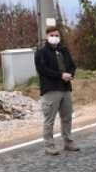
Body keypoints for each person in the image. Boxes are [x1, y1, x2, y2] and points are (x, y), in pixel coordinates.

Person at [34, 26, 79, 156]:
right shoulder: (41, 52)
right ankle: (49, 145)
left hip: (65, 88)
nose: (55, 38)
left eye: (57, 35)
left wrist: (70, 74)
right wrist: (60, 75)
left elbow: (71, 65)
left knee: (67, 116)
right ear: (47, 36)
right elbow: (43, 70)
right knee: (50, 119)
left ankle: (68, 142)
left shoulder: (63, 50)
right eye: (52, 35)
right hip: (51, 89)